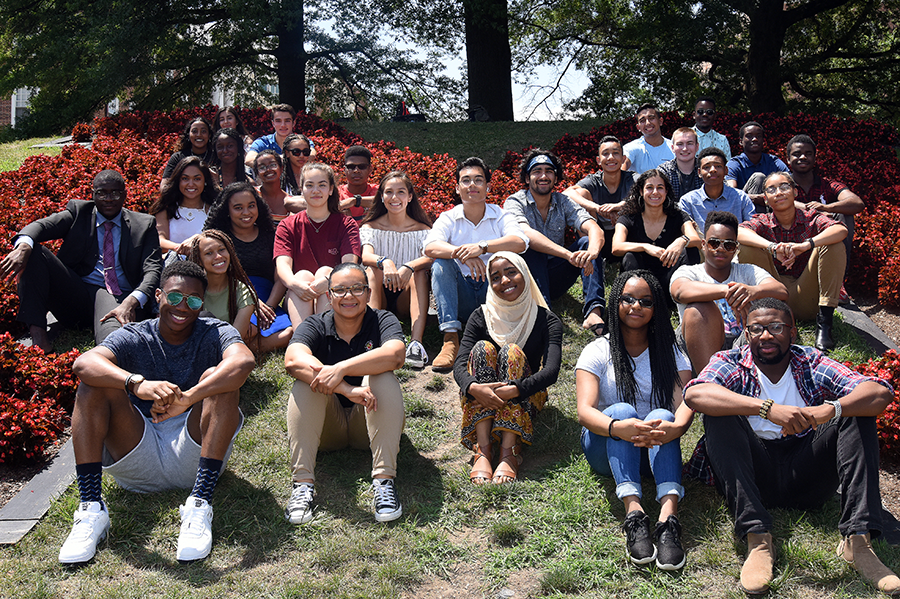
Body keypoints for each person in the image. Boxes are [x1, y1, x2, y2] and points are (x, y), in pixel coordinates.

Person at [684, 298, 900, 595]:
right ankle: (757, 537)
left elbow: (879, 393)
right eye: (756, 328)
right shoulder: (730, 361)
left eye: (776, 327)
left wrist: (829, 410)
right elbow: (696, 394)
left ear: (792, 332)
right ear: (746, 335)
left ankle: (857, 543)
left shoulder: (809, 361)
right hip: (754, 475)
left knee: (855, 413)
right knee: (718, 415)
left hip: (805, 474)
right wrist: (767, 409)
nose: (766, 335)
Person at [58, 261, 255, 564]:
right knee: (93, 383)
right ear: (159, 296)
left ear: (202, 303)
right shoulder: (137, 334)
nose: (183, 306)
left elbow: (243, 363)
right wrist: (135, 384)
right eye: (175, 297)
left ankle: (200, 504)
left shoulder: (215, 330)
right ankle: (90, 509)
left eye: (193, 300)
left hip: (195, 452)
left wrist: (189, 397)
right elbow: (83, 364)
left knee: (220, 378)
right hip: (137, 451)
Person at [576, 270, 692, 570]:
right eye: (628, 299)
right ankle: (634, 512)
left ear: (656, 309)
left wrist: (677, 427)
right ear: (615, 303)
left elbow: (686, 404)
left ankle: (668, 518)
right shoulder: (597, 350)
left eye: (645, 301)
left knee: (663, 416)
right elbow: (585, 411)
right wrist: (618, 428)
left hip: (653, 449)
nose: (636, 306)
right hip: (606, 446)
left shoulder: (672, 352)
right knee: (622, 410)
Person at [283, 263, 406, 524]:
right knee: (306, 381)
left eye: (356, 289)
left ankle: (384, 481)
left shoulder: (383, 319)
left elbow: (395, 355)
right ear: (328, 296)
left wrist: (340, 368)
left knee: (381, 375)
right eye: (339, 290)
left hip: (370, 423)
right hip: (327, 429)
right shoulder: (315, 324)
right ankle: (302, 485)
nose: (348, 296)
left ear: (368, 292)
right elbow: (293, 361)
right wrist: (346, 388)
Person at [0, 170, 162, 352]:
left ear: (125, 194)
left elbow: (153, 269)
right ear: (93, 194)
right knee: (34, 251)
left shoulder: (144, 224)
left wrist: (132, 300)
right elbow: (42, 225)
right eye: (101, 193)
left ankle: (108, 361)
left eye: (115, 193)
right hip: (77, 295)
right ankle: (39, 338)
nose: (108, 199)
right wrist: (23, 246)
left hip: (119, 298)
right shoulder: (79, 213)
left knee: (112, 339)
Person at [454, 252, 562, 485]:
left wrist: (515, 389)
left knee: (511, 351)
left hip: (525, 395)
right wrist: (474, 388)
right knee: (482, 347)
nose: (504, 281)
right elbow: (460, 364)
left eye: (511, 272)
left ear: (524, 273)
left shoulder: (546, 319)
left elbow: (551, 371)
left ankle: (508, 451)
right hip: (482, 395)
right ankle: (483, 449)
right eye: (495, 277)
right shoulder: (480, 316)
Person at [423, 157, 529, 372]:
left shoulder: (501, 216)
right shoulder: (449, 217)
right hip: (460, 293)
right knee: (441, 263)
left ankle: (501, 334)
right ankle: (451, 339)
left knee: (507, 261)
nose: (472, 185)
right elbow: (430, 246)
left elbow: (520, 242)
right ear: (457, 188)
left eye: (478, 180)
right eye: (466, 180)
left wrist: (482, 248)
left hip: (493, 292)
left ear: (487, 187)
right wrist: (461, 253)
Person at [737, 172, 847, 350]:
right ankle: (762, 314)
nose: (778, 192)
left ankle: (825, 324)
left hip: (806, 296)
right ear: (765, 199)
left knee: (833, 244)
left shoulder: (811, 218)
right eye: (771, 190)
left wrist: (805, 246)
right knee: (748, 246)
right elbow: (739, 232)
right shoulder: (762, 221)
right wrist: (772, 248)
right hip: (772, 296)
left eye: (784, 187)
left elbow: (840, 230)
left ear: (795, 193)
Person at [670, 211, 787, 372]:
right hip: (700, 343)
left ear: (736, 249)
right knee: (698, 309)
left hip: (741, 343)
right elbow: (679, 291)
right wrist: (729, 291)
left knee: (771, 314)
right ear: (703, 245)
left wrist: (753, 291)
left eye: (728, 245)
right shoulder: (689, 272)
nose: (721, 249)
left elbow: (781, 291)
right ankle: (710, 383)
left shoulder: (747, 271)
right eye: (714, 243)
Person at [503, 149, 606, 333]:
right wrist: (568, 255)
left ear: (556, 177)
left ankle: (594, 312)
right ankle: (544, 312)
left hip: (556, 275)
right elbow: (526, 234)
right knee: (529, 247)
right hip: (528, 279)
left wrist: (592, 252)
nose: (543, 176)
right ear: (527, 178)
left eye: (549, 171)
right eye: (537, 171)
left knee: (586, 243)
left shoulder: (563, 201)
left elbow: (593, 227)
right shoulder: (515, 202)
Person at [204, 182, 293, 352]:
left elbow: (280, 276)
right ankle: (237, 346)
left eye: (251, 206)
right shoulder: (220, 240)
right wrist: (254, 303)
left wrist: (271, 306)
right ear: (227, 211)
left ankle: (244, 349)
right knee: (249, 329)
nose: (246, 212)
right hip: (234, 295)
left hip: (267, 298)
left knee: (287, 333)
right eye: (238, 207)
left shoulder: (271, 235)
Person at [360, 171, 433, 369]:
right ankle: (373, 338)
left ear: (410, 197)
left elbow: (430, 257)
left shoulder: (423, 230)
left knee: (419, 271)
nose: (394, 198)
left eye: (401, 192)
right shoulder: (370, 227)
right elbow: (366, 256)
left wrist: (408, 266)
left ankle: (416, 344)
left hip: (407, 297)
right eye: (388, 192)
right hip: (378, 293)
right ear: (382, 197)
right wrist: (386, 262)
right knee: (371, 269)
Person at [275, 162, 361, 327]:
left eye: (322, 185)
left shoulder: (346, 224)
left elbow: (349, 266)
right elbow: (283, 266)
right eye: (309, 185)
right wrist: (295, 284)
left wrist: (328, 281)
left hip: (337, 293)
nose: (315, 190)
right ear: (302, 190)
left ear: (330, 190)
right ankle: (303, 338)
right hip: (299, 293)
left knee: (326, 272)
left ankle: (324, 336)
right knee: (302, 275)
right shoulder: (287, 225)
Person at [612, 169, 701, 305]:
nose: (655, 192)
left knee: (691, 250)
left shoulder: (677, 215)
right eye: (649, 188)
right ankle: (640, 300)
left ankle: (683, 297)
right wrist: (645, 247)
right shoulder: (628, 218)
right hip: (640, 280)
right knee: (630, 256)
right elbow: (616, 247)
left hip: (670, 279)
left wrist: (681, 241)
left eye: (660, 188)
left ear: (666, 192)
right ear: (641, 192)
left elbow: (696, 239)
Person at [189, 229, 275, 352]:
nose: (218, 257)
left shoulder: (242, 291)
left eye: (221, 250)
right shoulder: (191, 289)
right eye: (209, 253)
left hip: (223, 347)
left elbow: (233, 339)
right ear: (199, 260)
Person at [786, 134, 864, 265]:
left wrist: (827, 207)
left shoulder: (827, 185)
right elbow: (772, 200)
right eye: (797, 154)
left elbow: (857, 203)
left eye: (808, 153)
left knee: (844, 215)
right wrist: (812, 211)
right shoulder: (782, 185)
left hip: (824, 240)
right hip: (790, 241)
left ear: (815, 158)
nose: (803, 157)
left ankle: (840, 274)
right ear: (788, 159)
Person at [562, 135, 638, 266]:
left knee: (644, 198)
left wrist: (620, 207)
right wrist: (597, 208)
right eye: (605, 154)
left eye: (616, 153)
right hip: (598, 233)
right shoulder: (594, 180)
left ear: (623, 158)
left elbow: (647, 192)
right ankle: (593, 259)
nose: (611, 158)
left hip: (626, 234)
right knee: (581, 193)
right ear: (598, 160)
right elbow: (567, 193)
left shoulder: (632, 178)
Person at [151, 157, 218, 260]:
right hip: (172, 265)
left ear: (205, 181)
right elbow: (159, 240)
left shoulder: (213, 210)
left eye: (197, 179)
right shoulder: (166, 208)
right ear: (178, 181)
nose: (191, 184)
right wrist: (182, 248)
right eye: (185, 179)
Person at [678, 147, 755, 235]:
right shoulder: (688, 201)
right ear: (699, 172)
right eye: (706, 167)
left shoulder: (741, 198)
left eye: (718, 166)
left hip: (736, 246)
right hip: (701, 247)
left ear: (726, 170)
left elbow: (753, 227)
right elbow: (685, 232)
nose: (713, 170)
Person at [726, 121, 789, 204]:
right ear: (741, 141)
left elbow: (790, 184)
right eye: (749, 136)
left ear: (763, 141)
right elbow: (731, 192)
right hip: (742, 208)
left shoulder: (773, 162)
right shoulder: (734, 164)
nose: (755, 139)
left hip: (772, 206)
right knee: (758, 177)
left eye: (758, 136)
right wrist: (758, 197)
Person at [160, 117, 216, 188]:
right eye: (194, 131)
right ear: (189, 135)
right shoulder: (178, 158)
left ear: (209, 135)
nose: (199, 135)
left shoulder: (216, 157)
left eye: (203, 131)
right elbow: (164, 186)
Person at [621, 103, 674, 173]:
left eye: (651, 118)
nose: (648, 123)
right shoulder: (631, 148)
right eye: (642, 121)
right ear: (638, 127)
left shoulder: (674, 148)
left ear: (660, 121)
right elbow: (621, 169)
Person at [657, 128, 702, 201]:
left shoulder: (705, 169)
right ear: (673, 148)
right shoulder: (664, 171)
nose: (685, 148)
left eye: (689, 143)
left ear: (697, 147)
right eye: (680, 144)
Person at [338, 145, 379, 221]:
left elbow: (387, 200)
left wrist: (354, 201)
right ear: (345, 170)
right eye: (351, 166)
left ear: (370, 169)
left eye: (362, 166)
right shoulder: (336, 193)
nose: (356, 170)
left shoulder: (378, 191)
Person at [253, 150, 291, 221]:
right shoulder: (252, 194)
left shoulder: (290, 201)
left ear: (281, 168)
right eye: (262, 167)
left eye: (273, 165)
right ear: (257, 173)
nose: (268, 169)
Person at [691, 96, 732, 160]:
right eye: (700, 111)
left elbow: (726, 166)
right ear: (694, 115)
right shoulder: (682, 136)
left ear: (715, 116)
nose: (705, 115)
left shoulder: (722, 140)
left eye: (709, 112)